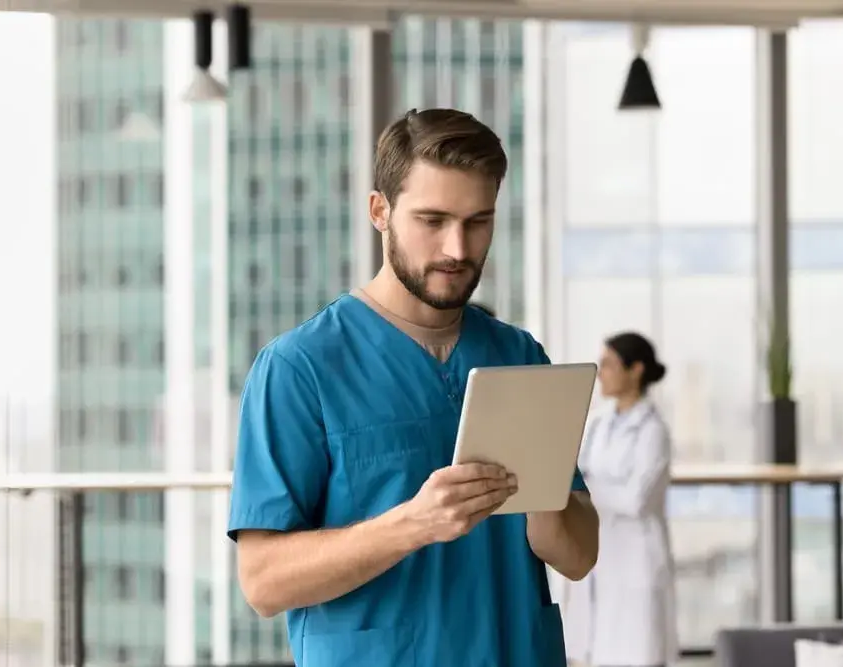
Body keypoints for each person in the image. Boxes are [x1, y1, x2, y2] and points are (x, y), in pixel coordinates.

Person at [228, 108, 600, 667]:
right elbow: (263, 583)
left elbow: (578, 555)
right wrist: (412, 524)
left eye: (478, 222)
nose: (457, 247)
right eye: (433, 220)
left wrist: (541, 499)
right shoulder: (299, 368)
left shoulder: (519, 356)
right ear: (380, 211)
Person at [561, 332, 678, 667]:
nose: (602, 372)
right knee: (597, 651)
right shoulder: (599, 423)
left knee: (638, 651)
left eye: (610, 364)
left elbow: (635, 499)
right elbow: (575, 474)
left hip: (636, 558)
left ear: (635, 370)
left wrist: (588, 486)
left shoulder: (653, 431)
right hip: (602, 551)